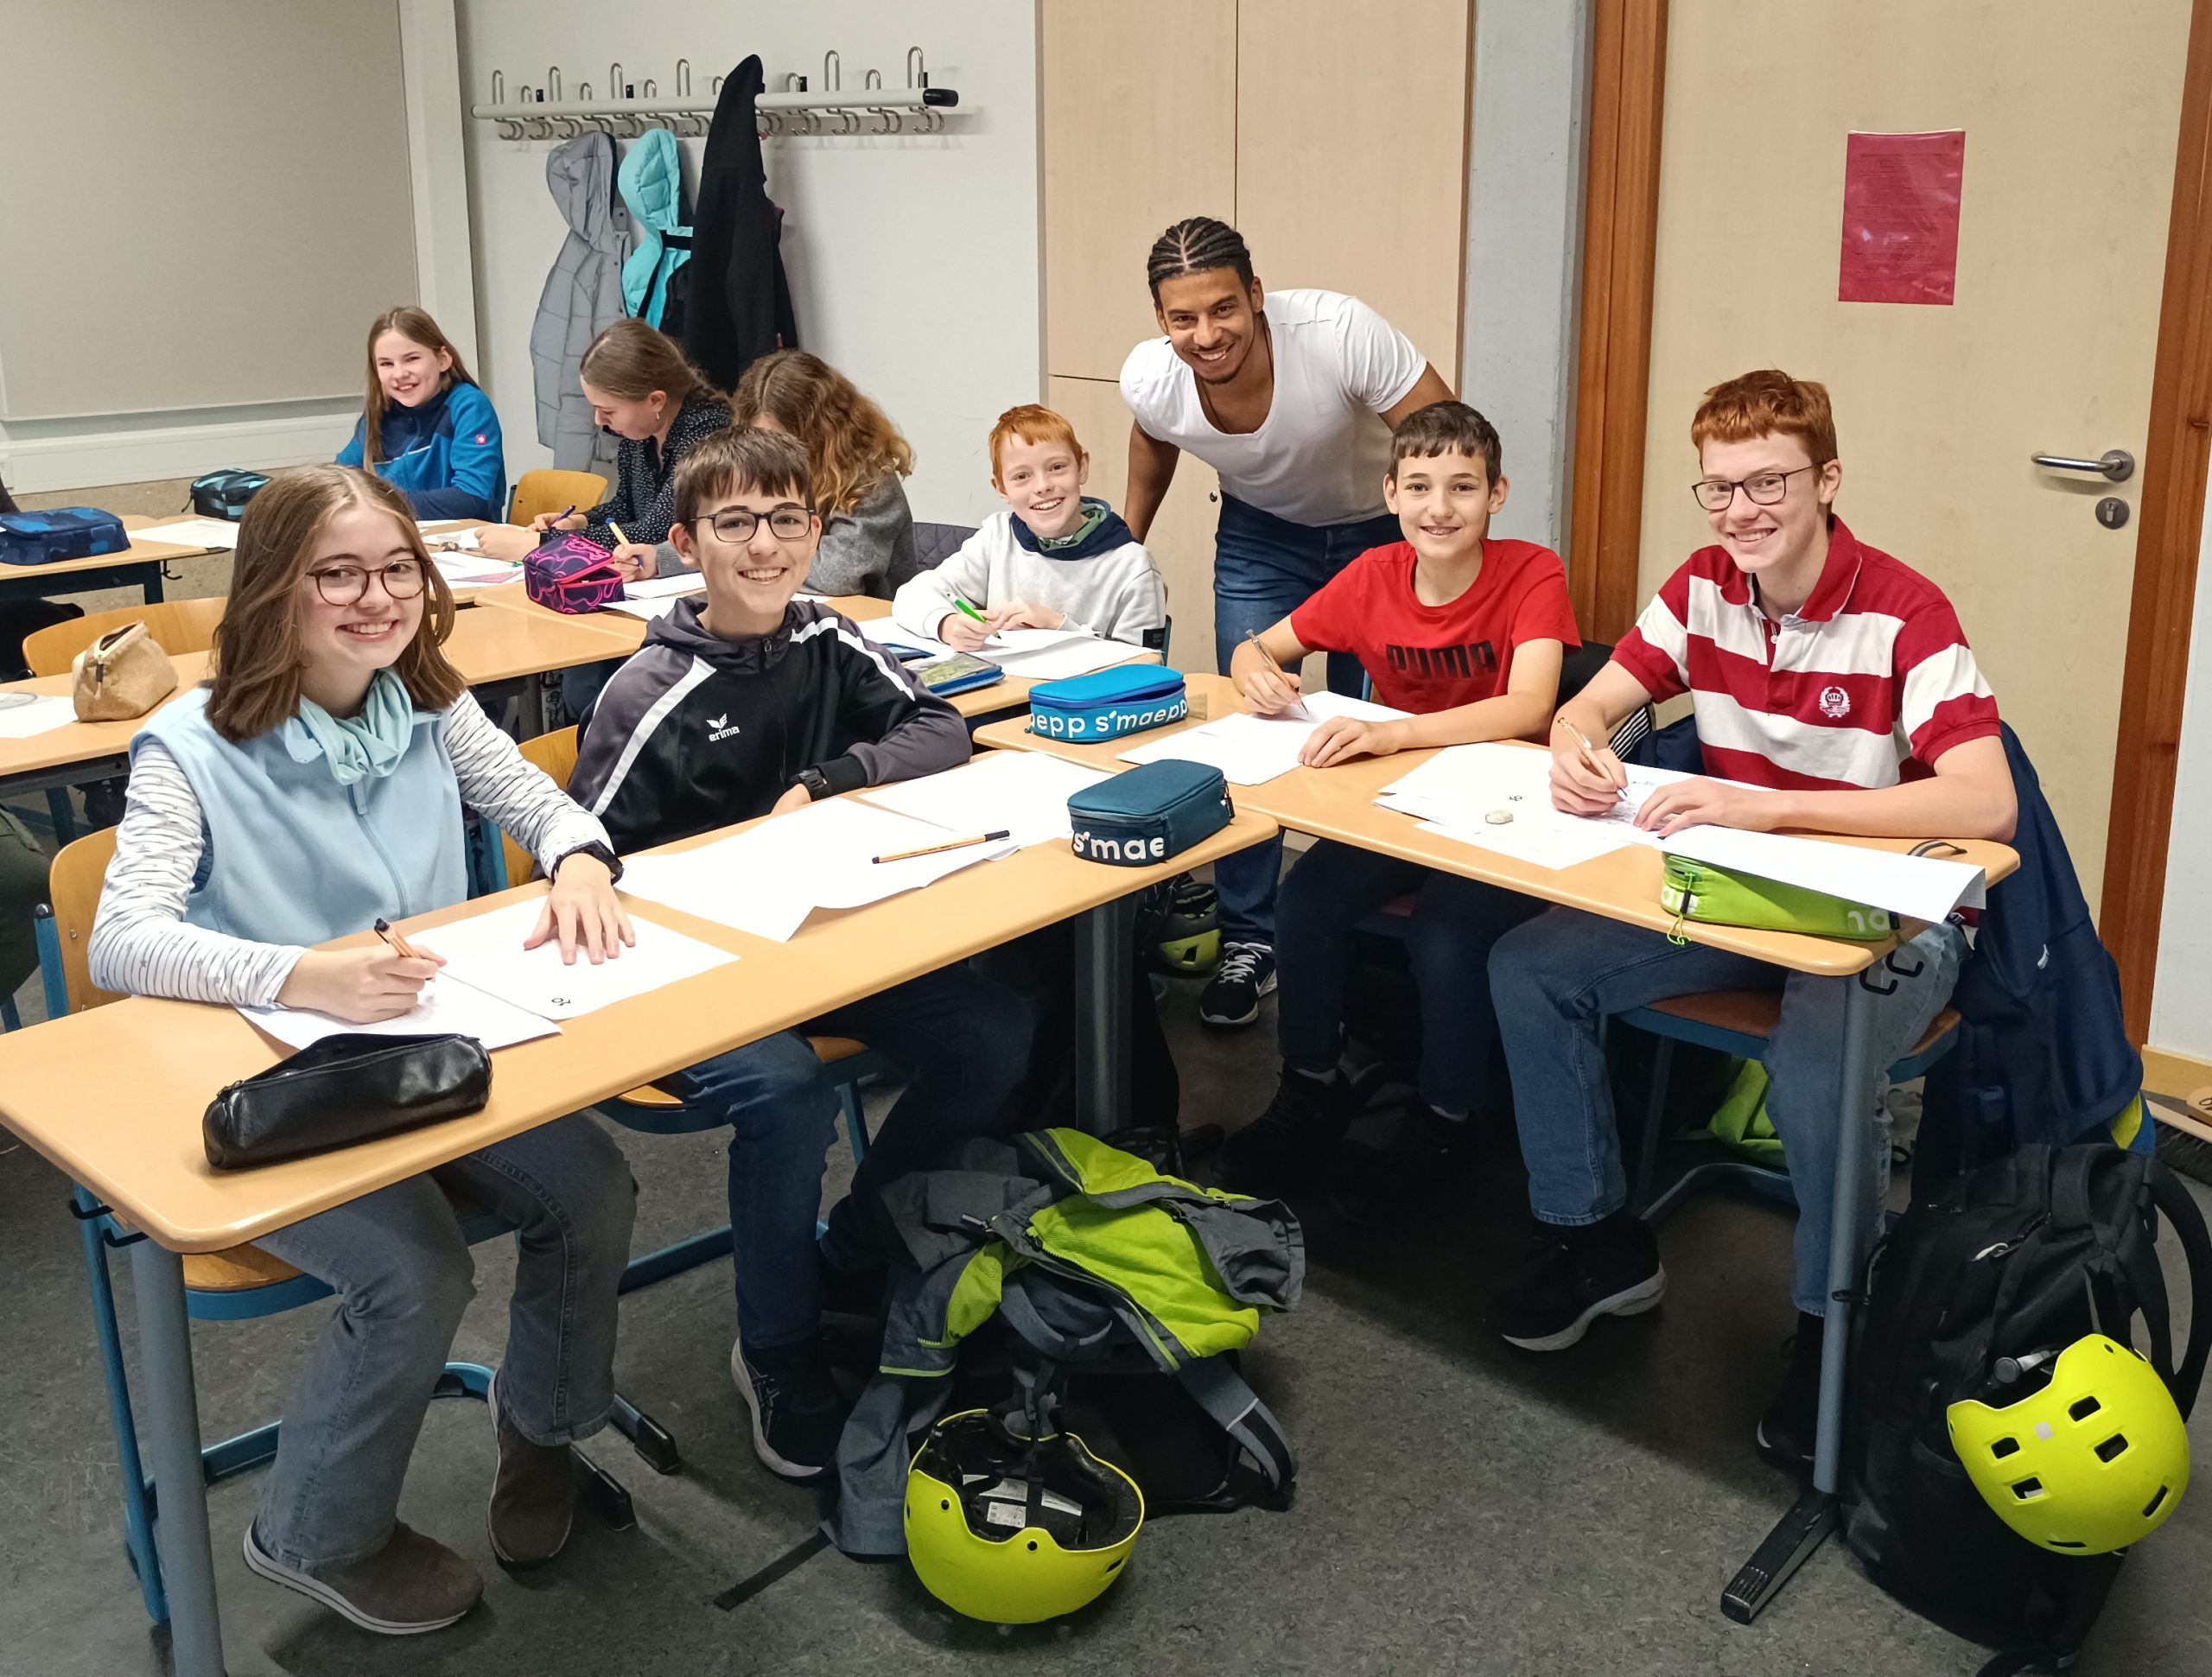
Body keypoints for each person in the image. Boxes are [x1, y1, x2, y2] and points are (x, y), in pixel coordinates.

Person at [86, 466, 637, 1635]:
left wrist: (582, 859)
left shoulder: (426, 701)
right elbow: (121, 939)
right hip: (270, 1083)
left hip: (424, 1053)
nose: (376, 598)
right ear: (273, 588)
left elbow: (544, 806)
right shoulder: (190, 744)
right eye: (336, 574)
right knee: (415, 1270)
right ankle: (313, 1532)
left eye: (396, 570)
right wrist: (300, 972)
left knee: (591, 1186)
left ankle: (541, 1433)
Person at [1485, 371, 2015, 1471]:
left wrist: (1770, 808)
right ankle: (1599, 1245)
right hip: (1739, 889)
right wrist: (1579, 747)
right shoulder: (1701, 586)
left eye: (1768, 482)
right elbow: (1596, 700)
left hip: (1894, 910)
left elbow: (1984, 802)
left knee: (1816, 1055)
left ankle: (1834, 1319)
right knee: (1530, 967)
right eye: (1719, 488)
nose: (1741, 511)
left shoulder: (1905, 611)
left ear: (1826, 480)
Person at [569, 428, 1031, 1482]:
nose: (766, 545)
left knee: (991, 1032)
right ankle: (774, 1348)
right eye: (734, 523)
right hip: (684, 964)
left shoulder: (825, 633)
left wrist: (831, 780)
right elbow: (579, 851)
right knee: (783, 1094)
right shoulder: (650, 689)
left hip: (816, 938)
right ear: (687, 542)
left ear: (816, 532)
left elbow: (938, 726)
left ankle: (853, 1249)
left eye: (787, 520)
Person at [1217, 401, 1578, 1195]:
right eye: (1418, 486)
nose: (1439, 507)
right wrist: (1254, 671)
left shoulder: (1532, 571)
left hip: (1504, 808)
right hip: (1408, 800)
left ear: (1497, 493)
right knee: (1305, 898)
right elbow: (1259, 647)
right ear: (1390, 494)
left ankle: (1447, 1118)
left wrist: (1393, 733)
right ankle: (1310, 1083)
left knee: (1446, 931)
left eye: (1462, 487)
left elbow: (1530, 707)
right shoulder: (1371, 576)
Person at [1122, 216, 1455, 1028]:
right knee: (1255, 722)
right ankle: (1251, 936)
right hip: (1262, 535)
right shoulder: (1152, 377)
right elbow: (1155, 441)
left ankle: (1361, 928)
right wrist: (1125, 549)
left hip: (1379, 537)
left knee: (1372, 731)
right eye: (1183, 319)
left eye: (1223, 309)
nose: (1207, 335)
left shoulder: (1339, 333)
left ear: (1257, 296)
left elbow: (1443, 434)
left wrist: (1435, 556)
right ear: (1161, 319)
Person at [891, 403, 1166, 650]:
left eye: (1057, 467)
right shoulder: (997, 538)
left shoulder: (1132, 566)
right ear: (1001, 488)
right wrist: (946, 624)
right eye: (1022, 476)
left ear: (1082, 467)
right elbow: (911, 596)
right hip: (1006, 687)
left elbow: (1145, 666)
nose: (1042, 486)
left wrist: (1058, 626)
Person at [474, 318, 732, 578]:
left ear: (655, 400)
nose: (599, 420)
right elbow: (626, 507)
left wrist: (543, 545)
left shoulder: (707, 434)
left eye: (608, 410)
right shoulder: (641, 431)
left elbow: (657, 530)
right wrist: (579, 521)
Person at [730, 348, 919, 597]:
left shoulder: (871, 482)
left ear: (820, 433)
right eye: (762, 441)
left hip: (859, 615)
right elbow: (720, 542)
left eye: (786, 441)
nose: (773, 455)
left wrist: (750, 566)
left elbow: (835, 577)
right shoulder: (759, 467)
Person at [337, 306, 507, 522]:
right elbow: (340, 482)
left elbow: (473, 498)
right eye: (387, 364)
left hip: (464, 537)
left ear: (443, 359)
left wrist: (379, 506)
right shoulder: (378, 415)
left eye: (412, 359)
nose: (400, 373)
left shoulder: (468, 406)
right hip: (396, 534)